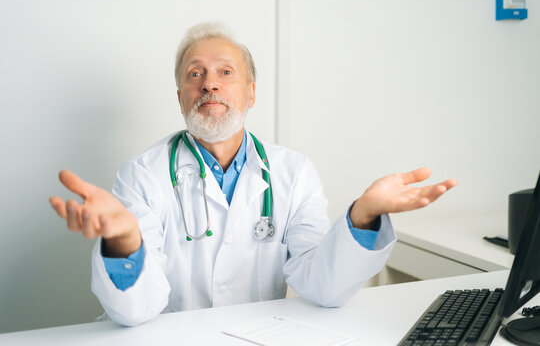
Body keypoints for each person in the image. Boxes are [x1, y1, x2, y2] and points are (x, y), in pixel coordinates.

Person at [49, 22, 458, 326]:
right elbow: (136, 310)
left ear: (251, 92)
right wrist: (123, 242)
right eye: (195, 74)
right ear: (180, 98)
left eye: (225, 72)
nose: (210, 84)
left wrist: (363, 216)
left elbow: (322, 286)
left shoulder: (293, 172)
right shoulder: (143, 175)